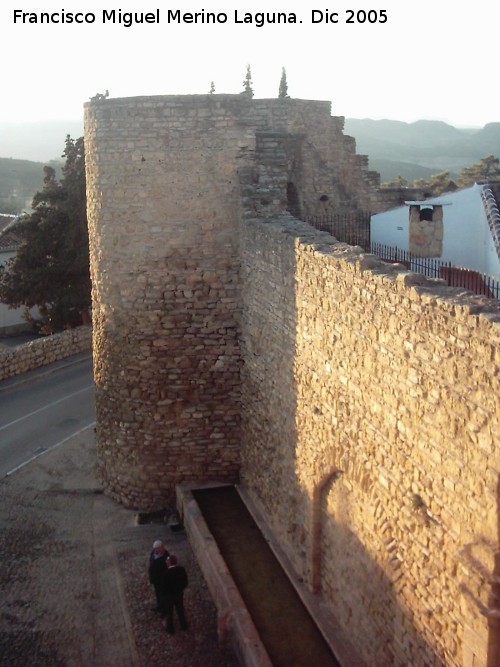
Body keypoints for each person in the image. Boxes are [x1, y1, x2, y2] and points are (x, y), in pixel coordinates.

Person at [160, 554, 188, 634]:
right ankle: (183, 626)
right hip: (179, 594)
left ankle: (170, 629)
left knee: (170, 612)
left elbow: (163, 588)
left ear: (169, 563)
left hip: (169, 597)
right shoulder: (181, 570)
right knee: (180, 610)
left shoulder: (165, 574)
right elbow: (185, 582)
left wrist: (164, 596)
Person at [148, 540, 169, 612]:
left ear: (161, 548)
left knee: (163, 595)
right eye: (155, 549)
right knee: (157, 594)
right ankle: (159, 606)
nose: (155, 550)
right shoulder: (153, 553)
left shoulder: (166, 557)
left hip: (161, 580)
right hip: (155, 579)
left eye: (157, 549)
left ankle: (164, 609)